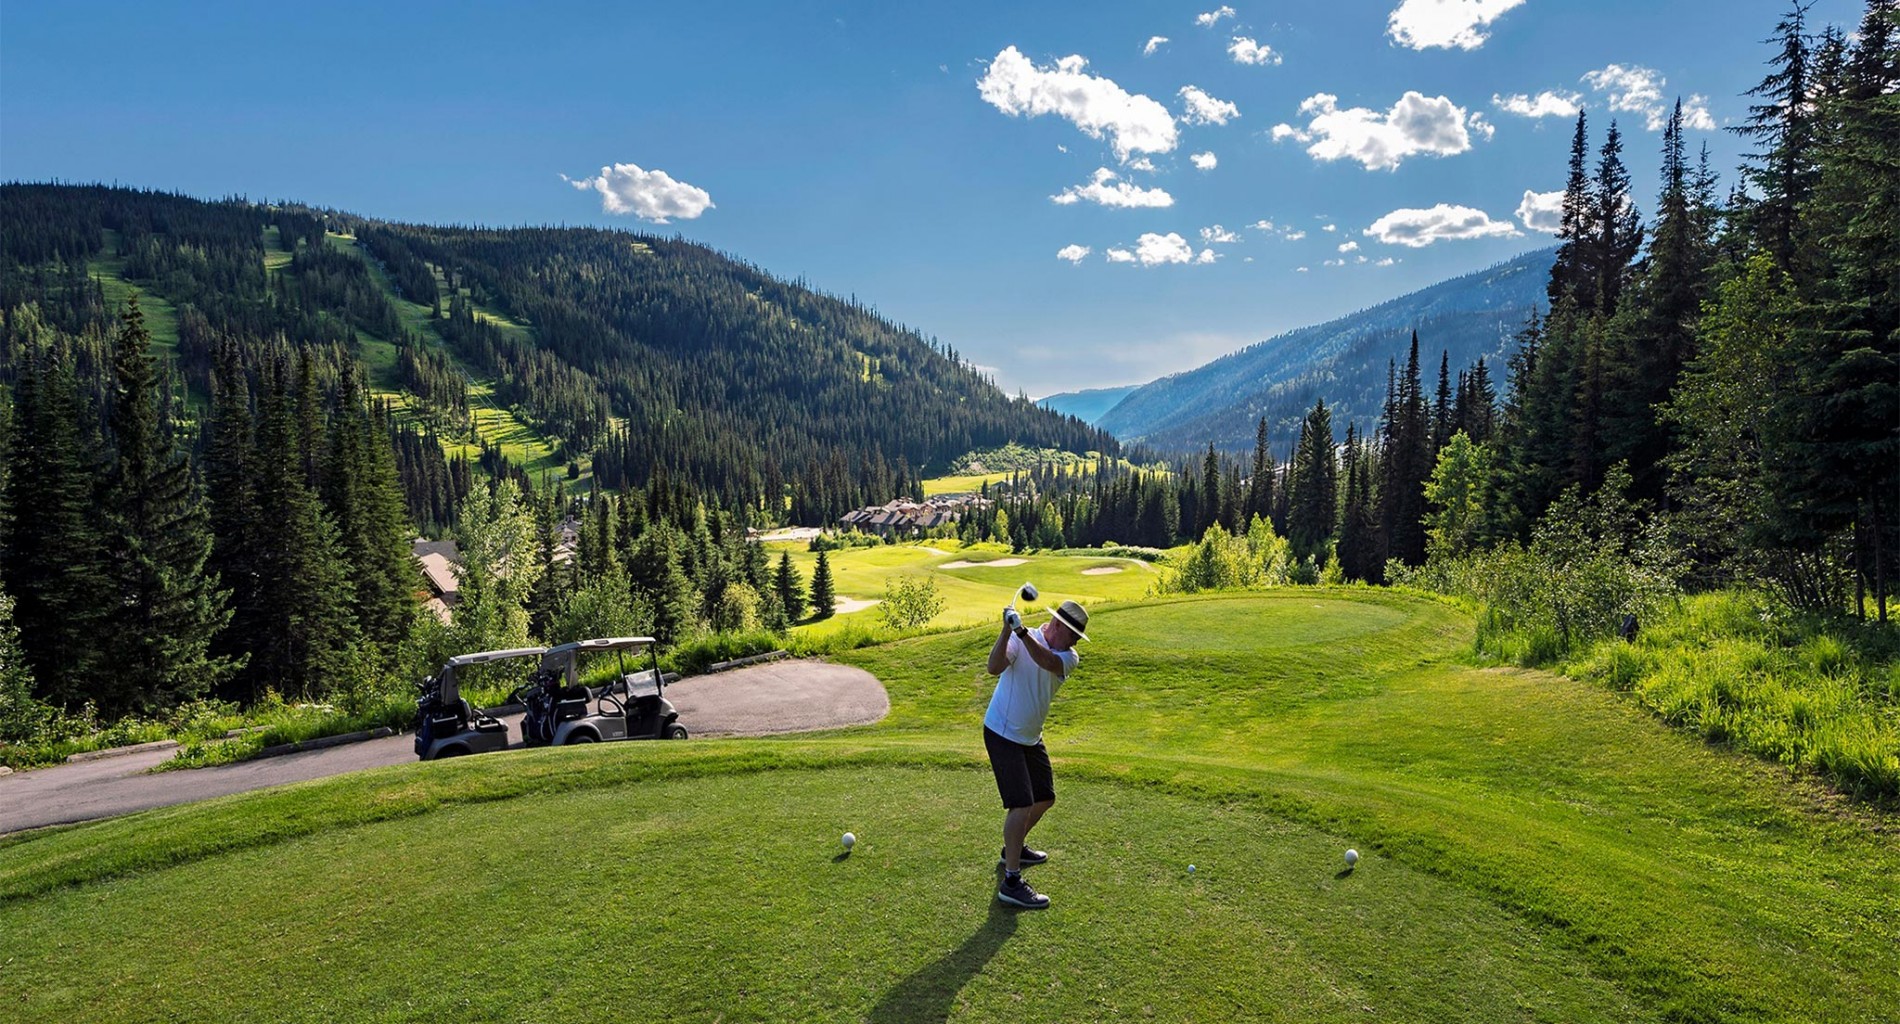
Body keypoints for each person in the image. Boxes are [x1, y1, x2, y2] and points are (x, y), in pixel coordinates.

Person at [983, 598, 1089, 909]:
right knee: (1021, 803)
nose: (1075, 642)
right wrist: (1006, 631)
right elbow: (993, 668)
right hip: (1002, 732)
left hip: (1030, 737)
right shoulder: (1022, 638)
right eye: (1073, 635)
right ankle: (1012, 881)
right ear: (1058, 626)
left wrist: (1020, 632)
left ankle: (1011, 849)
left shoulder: (1068, 658)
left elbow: (1045, 662)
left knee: (1045, 797)